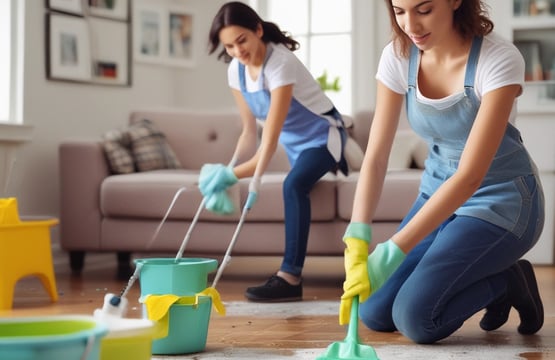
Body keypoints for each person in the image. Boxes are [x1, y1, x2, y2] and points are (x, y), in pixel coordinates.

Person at [340, 0, 545, 344]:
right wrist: (358, 236)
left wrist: (393, 250)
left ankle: (508, 282)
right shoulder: (398, 56)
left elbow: (470, 177)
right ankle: (491, 274)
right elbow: (376, 156)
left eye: (423, 10)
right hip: (437, 195)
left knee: (417, 318)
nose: (410, 26)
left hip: (501, 200)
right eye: (400, 11)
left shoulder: (497, 59)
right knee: (374, 310)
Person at [203, 1, 348, 302]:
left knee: (293, 184)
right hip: (294, 144)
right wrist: (228, 166)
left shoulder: (280, 63)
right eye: (229, 46)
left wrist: (233, 176)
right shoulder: (236, 71)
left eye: (241, 40)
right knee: (297, 179)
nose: (238, 51)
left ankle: (290, 277)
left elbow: (270, 138)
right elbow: (249, 133)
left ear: (258, 30)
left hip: (324, 137)